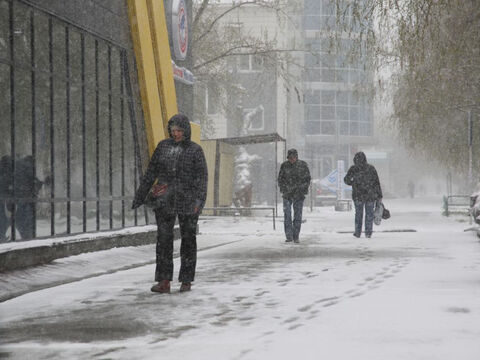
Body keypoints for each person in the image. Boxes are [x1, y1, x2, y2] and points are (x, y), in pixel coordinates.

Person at [132, 114, 208, 294]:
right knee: (163, 241)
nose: (176, 134)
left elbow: (202, 179)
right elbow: (151, 173)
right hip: (164, 201)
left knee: (188, 241)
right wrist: (140, 195)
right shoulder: (163, 147)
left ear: (186, 131)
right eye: (173, 130)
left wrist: (199, 201)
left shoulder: (195, 150)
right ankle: (164, 281)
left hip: (188, 202)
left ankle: (186, 280)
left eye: (180, 131)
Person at [344, 151, 383, 238]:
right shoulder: (371, 168)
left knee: (358, 214)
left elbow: (346, 180)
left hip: (358, 195)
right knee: (369, 214)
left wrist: (353, 182)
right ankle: (368, 232)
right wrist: (379, 195)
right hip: (370, 195)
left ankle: (357, 232)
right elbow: (376, 182)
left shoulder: (353, 169)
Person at [278, 149, 311, 243]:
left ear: (296, 157)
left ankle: (296, 236)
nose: (291, 160)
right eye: (290, 158)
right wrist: (284, 189)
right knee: (287, 215)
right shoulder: (284, 166)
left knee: (297, 216)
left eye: (293, 158)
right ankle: (289, 236)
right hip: (287, 194)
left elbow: (307, 179)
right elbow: (280, 179)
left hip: (298, 194)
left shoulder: (303, 165)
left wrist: (302, 189)